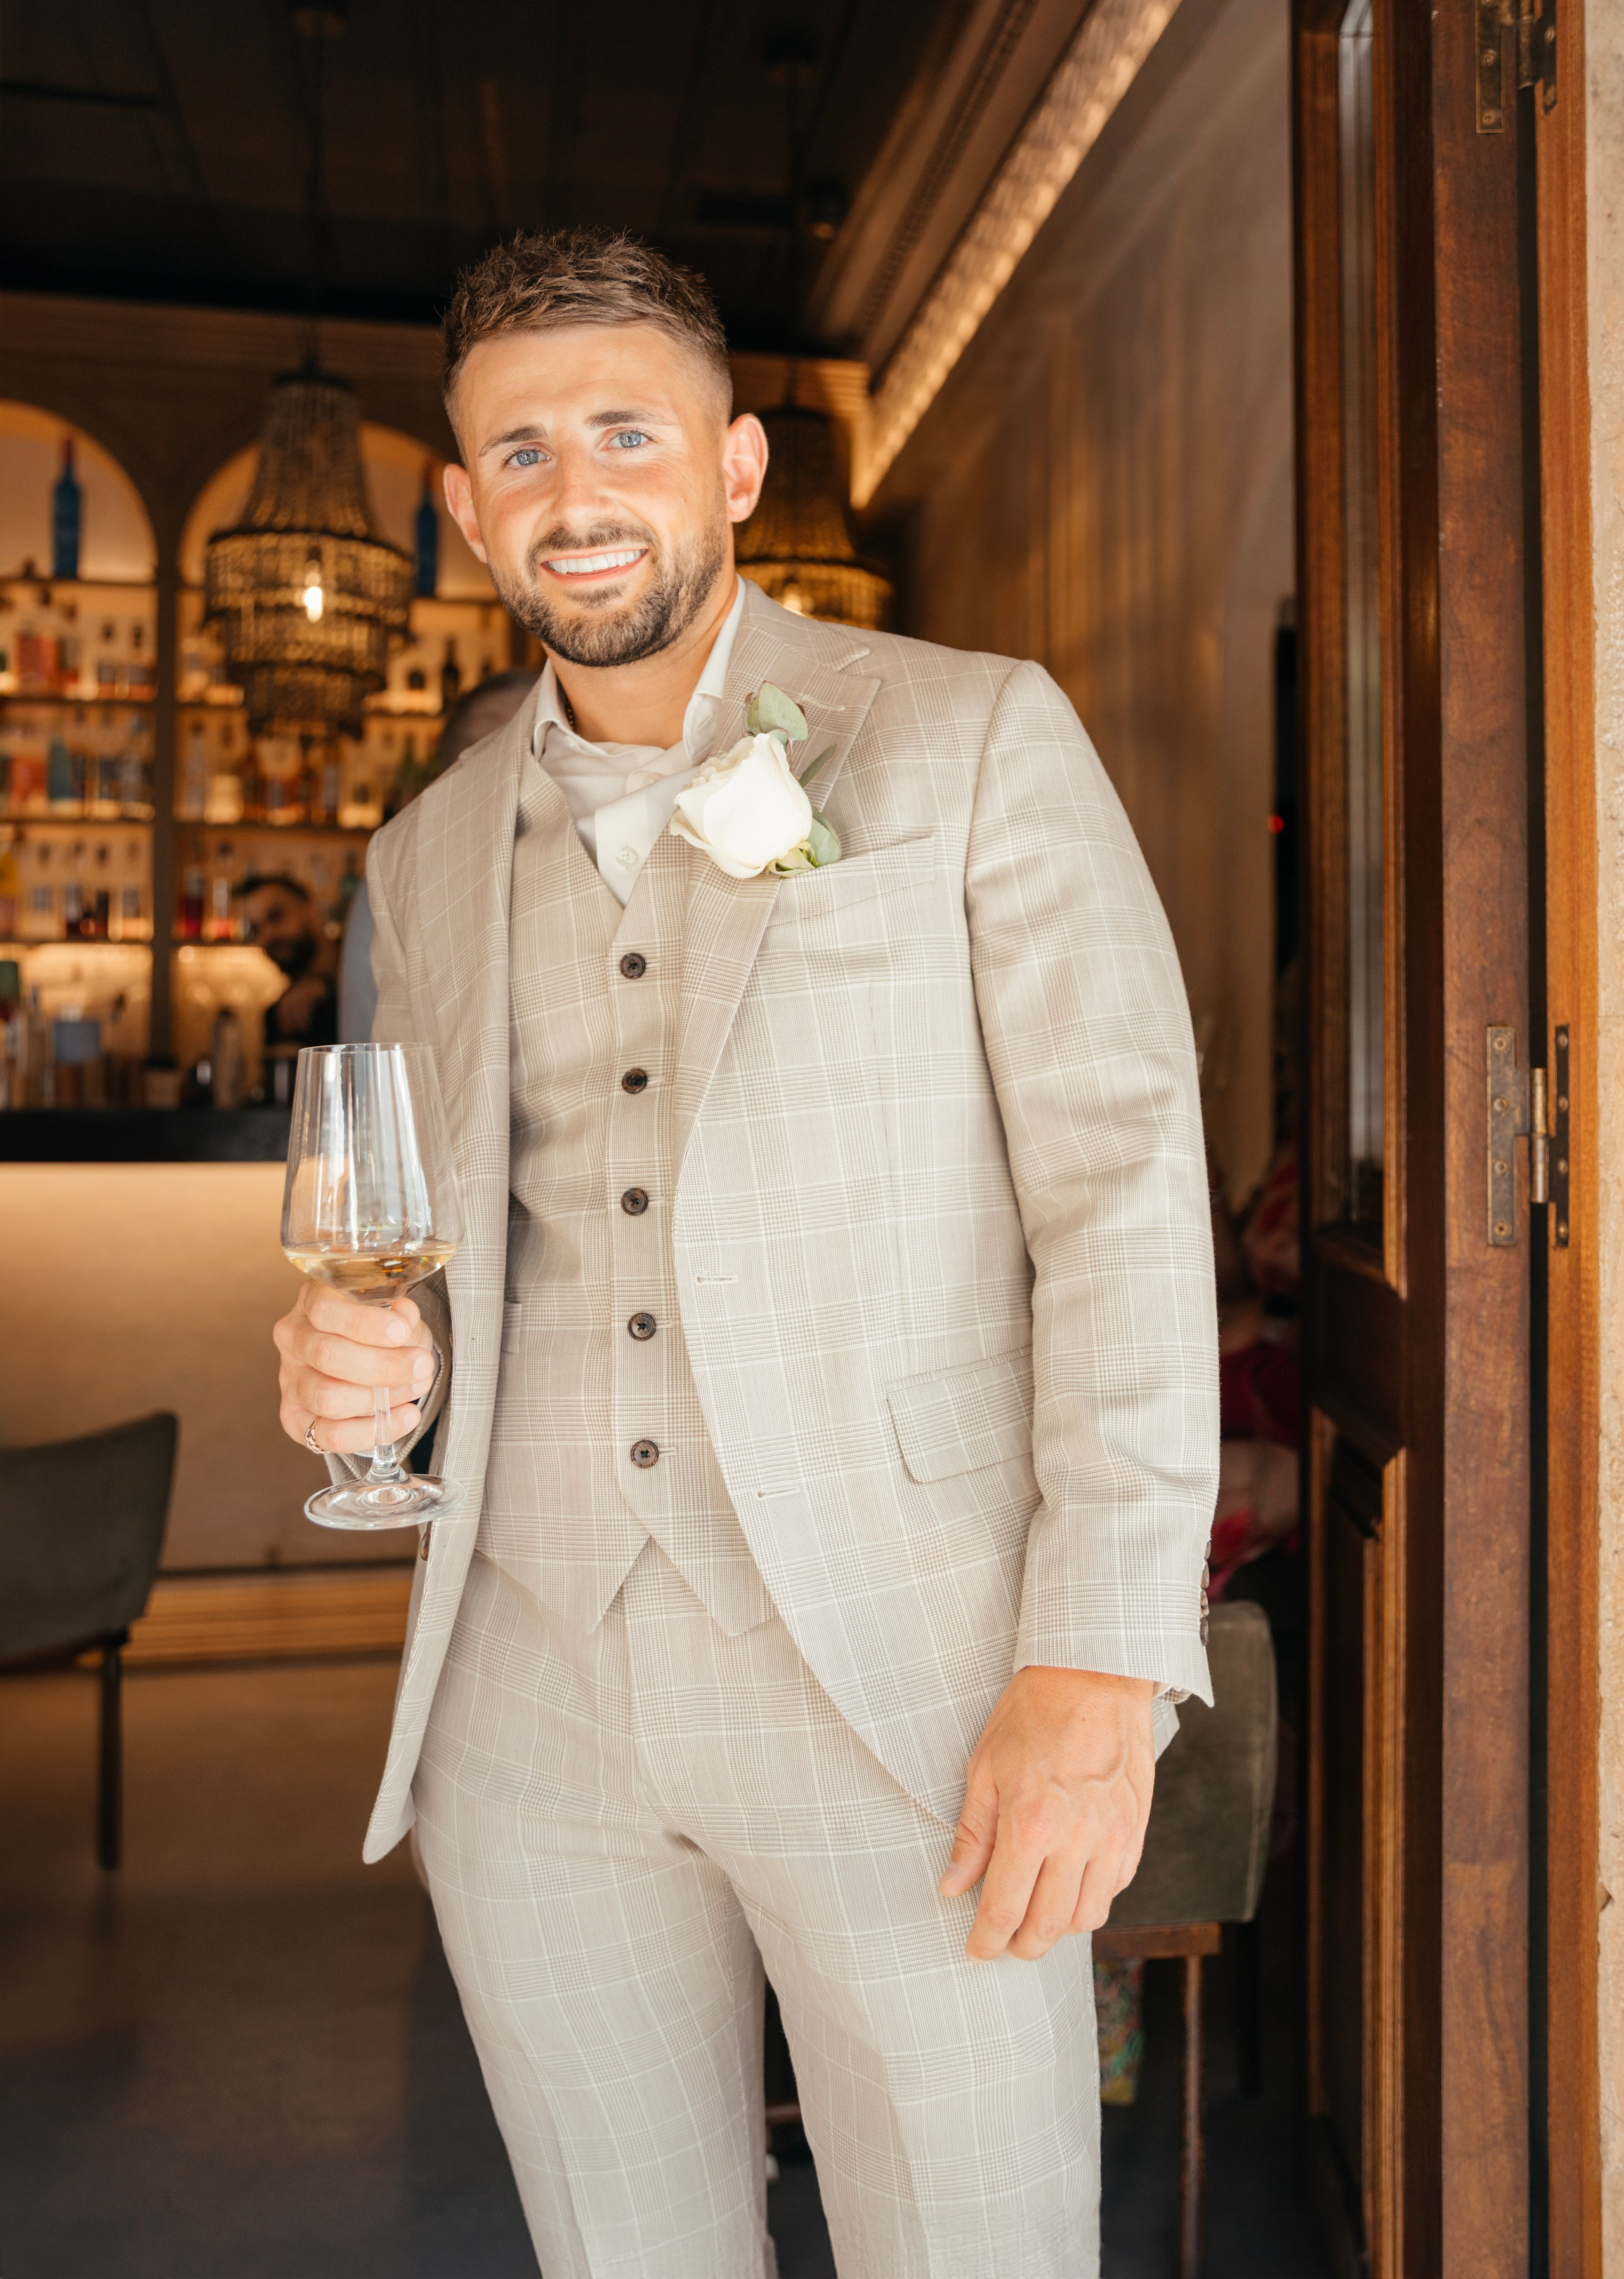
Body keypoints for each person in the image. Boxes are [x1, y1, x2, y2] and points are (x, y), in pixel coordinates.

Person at [273, 228, 1217, 2277]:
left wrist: (1102, 1656)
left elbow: (1120, 1202)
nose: (575, 489)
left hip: (912, 1677)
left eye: (628, 430)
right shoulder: (423, 850)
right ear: (460, 506)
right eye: (519, 451)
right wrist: (380, 1362)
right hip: (527, 1695)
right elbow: (444, 1244)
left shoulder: (972, 734)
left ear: (737, 464)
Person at [337, 668, 539, 1041]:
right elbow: (367, 1034)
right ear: (452, 765)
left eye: (537, 736)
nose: (515, 759)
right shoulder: (399, 870)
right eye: (492, 742)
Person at [240, 872, 338, 1048]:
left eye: (276, 917)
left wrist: (326, 985)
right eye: (256, 929)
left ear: (313, 911)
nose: (266, 936)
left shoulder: (362, 966)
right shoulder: (279, 1015)